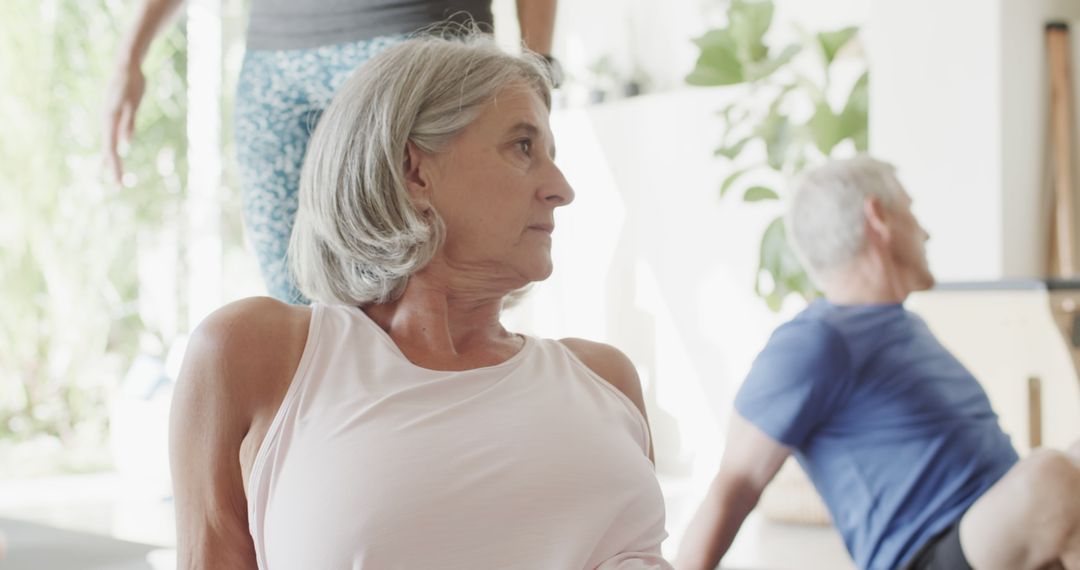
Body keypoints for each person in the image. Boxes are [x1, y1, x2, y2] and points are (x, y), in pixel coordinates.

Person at [169, 34, 672, 569]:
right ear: (415, 171)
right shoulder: (255, 353)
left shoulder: (606, 378)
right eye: (523, 147)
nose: (561, 187)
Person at [675, 156, 1080, 570]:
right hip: (927, 555)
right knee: (1049, 479)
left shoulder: (907, 324)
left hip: (1001, 535)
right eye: (911, 211)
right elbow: (735, 485)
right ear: (878, 217)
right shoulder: (814, 343)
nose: (925, 231)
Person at [103, 0, 558, 303]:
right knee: (292, 297)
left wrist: (535, 72)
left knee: (421, 299)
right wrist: (130, 55)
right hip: (275, 61)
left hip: (414, 39)